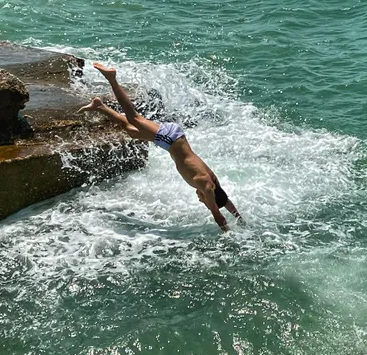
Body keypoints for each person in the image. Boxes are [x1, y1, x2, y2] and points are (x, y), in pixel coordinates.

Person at [79, 64, 244, 232]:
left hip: (173, 140)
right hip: (170, 139)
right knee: (134, 117)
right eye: (205, 202)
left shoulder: (214, 184)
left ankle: (100, 106)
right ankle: (112, 78)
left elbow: (225, 200)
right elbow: (218, 216)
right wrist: (230, 235)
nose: (201, 201)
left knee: (132, 131)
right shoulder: (207, 187)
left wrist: (239, 217)